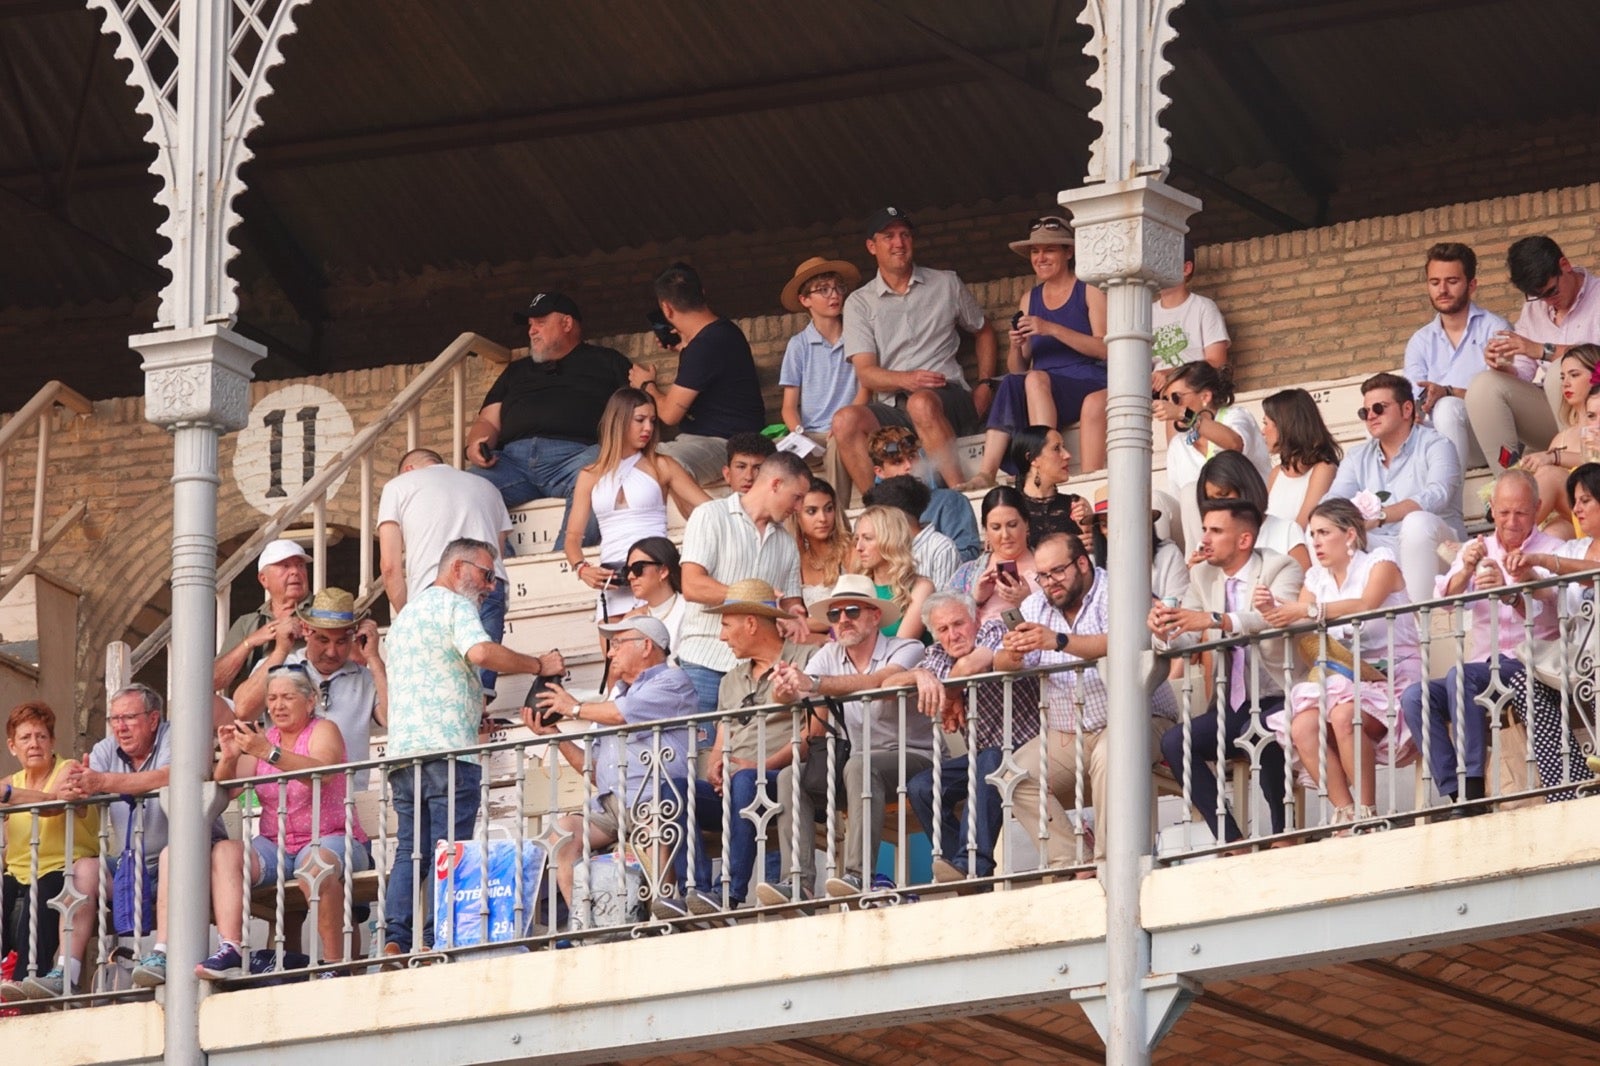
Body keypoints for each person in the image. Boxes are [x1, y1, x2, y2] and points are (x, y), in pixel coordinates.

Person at [381, 538, 562, 957]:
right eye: (486, 575)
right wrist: (538, 665)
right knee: (450, 847)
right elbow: (481, 651)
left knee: (412, 850)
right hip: (448, 753)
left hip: (406, 753)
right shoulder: (455, 606)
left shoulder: (407, 615)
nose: (490, 586)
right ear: (458, 568)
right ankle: (435, 938)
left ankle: (395, 939)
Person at [998, 534, 1178, 869]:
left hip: (1140, 718)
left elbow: (1128, 639)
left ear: (1082, 563)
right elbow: (1000, 665)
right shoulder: (1035, 605)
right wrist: (1013, 654)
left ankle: (1113, 865)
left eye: (1057, 572)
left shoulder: (1119, 590)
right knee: (1013, 775)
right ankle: (1073, 861)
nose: (1049, 582)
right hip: (1071, 733)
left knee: (1113, 754)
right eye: (1042, 575)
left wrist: (1059, 641)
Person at [193, 665, 371, 978]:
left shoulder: (323, 730)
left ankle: (334, 966)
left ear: (310, 700)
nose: (278, 705)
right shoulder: (266, 738)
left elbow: (323, 771)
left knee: (315, 865)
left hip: (331, 837)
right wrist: (231, 757)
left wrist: (269, 752)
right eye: (272, 698)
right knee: (224, 852)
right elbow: (226, 791)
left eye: (287, 697)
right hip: (275, 846)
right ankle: (231, 948)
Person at [760, 576, 930, 902]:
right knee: (788, 777)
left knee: (859, 766)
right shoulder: (828, 654)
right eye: (835, 615)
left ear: (875, 616)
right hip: (855, 763)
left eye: (852, 611)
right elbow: (801, 693)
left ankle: (858, 875)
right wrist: (783, 688)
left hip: (914, 757)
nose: (842, 621)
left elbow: (878, 681)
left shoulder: (908, 647)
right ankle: (798, 884)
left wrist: (811, 683)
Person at [1400, 470, 1560, 810]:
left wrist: (1512, 593)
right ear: (1491, 509)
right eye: (1503, 512)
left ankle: (1471, 782)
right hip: (1480, 671)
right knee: (1416, 696)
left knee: (1462, 676)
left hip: (1529, 665)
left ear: (1538, 508)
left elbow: (1552, 610)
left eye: (1521, 512)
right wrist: (1464, 572)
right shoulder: (1479, 547)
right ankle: (1457, 792)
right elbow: (1443, 601)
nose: (1512, 521)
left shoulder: (1551, 549)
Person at [1151, 499, 1302, 843]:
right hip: (1231, 705)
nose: (1204, 539)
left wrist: (1218, 620)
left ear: (1244, 540)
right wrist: (1162, 632)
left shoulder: (1281, 568)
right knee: (1175, 742)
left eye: (1215, 531)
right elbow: (1184, 633)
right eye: (1204, 529)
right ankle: (1230, 840)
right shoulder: (1202, 575)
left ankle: (1284, 834)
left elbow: (1274, 619)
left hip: (1280, 694)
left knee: (1263, 728)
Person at [1261, 499, 1419, 825]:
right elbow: (1298, 626)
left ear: (1349, 535)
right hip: (1342, 677)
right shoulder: (1316, 579)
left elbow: (1365, 604)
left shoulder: (1380, 563)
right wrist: (1271, 610)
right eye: (1312, 534)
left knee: (1344, 713)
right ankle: (1345, 813)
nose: (1315, 542)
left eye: (1323, 532)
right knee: (1302, 725)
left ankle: (1367, 812)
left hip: (1392, 676)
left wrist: (1306, 610)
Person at [528, 616, 694, 915]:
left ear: (646, 646)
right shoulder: (617, 695)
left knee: (656, 825)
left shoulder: (672, 681)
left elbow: (622, 716)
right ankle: (586, 921)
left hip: (657, 798)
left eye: (617, 644)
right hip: (613, 806)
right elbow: (590, 767)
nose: (610, 653)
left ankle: (665, 914)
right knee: (563, 833)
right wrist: (553, 734)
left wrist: (573, 708)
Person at [671, 580, 815, 915]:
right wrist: (716, 765)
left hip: (785, 782)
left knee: (748, 781)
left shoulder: (808, 659)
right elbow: (723, 736)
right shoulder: (730, 680)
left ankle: (729, 893)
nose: (721, 636)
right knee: (673, 792)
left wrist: (761, 768)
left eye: (725, 625)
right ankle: (697, 891)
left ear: (751, 623)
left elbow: (813, 734)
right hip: (736, 788)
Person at [833, 207, 998, 496]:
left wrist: (985, 384)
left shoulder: (946, 283)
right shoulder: (859, 302)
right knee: (844, 420)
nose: (899, 243)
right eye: (889, 236)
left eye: (905, 235)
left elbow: (983, 330)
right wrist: (907, 380)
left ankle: (960, 494)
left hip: (947, 398)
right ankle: (879, 504)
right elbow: (866, 373)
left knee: (921, 402)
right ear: (872, 246)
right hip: (895, 407)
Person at [76, 685, 228, 991]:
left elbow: (174, 774)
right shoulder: (106, 749)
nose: (120, 726)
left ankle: (161, 954)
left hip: (195, 856)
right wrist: (74, 786)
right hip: (133, 863)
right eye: (114, 718)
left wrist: (103, 781)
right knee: (84, 869)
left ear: (154, 718)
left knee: (173, 854)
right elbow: (84, 790)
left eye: (129, 717)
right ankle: (66, 970)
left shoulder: (177, 737)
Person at [465, 292, 632, 542]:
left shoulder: (607, 361)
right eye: (530, 325)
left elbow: (635, 410)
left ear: (566, 323)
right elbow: (488, 421)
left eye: (540, 323)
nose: (532, 331)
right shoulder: (516, 370)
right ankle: (501, 569)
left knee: (606, 474)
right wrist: (476, 445)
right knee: (465, 489)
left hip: (577, 458)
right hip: (512, 463)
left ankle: (565, 563)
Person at [898, 592, 1040, 881]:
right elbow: (887, 681)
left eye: (958, 623)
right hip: (987, 761)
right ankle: (961, 870)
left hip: (1031, 749)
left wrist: (950, 694)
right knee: (922, 787)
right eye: (943, 629)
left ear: (974, 620)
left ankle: (974, 864)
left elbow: (973, 665)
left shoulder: (993, 630)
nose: (953, 634)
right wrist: (918, 677)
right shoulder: (937, 655)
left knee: (988, 758)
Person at [966, 216, 1108, 487]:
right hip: (1041, 390)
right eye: (1035, 251)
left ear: (1069, 252)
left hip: (1087, 381)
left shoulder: (1088, 289)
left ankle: (1047, 461)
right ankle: (986, 473)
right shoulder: (1029, 298)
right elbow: (1018, 368)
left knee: (1035, 378)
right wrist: (1017, 345)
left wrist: (1051, 328)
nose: (1040, 257)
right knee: (1012, 382)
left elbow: (1103, 349)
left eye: (1049, 250)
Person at [675, 450, 812, 716]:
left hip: (758, 669)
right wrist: (756, 599)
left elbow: (791, 602)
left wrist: (793, 615)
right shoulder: (710, 515)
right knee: (704, 755)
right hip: (704, 659)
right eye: (796, 497)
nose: (797, 508)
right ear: (775, 484)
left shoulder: (786, 541)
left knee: (751, 752)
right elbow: (692, 586)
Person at [563, 388, 710, 620]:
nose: (648, 428)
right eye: (640, 420)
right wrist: (582, 568)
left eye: (652, 421)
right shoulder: (590, 474)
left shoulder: (662, 465)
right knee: (615, 655)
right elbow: (572, 537)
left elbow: (709, 509)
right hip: (613, 578)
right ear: (619, 421)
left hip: (655, 575)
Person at [378, 447, 513, 693]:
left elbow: (389, 567)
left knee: (441, 690)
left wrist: (409, 616)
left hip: (436, 588)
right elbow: (497, 552)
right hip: (488, 582)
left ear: (408, 470)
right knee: (480, 691)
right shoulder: (487, 487)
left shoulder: (398, 485)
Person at [1502, 462, 1600, 801]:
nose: (1576, 509)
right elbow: (1549, 592)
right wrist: (1523, 575)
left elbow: (1593, 573)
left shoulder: (1565, 558)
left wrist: (1546, 561)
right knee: (1524, 682)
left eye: (1586, 500)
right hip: (1577, 658)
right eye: (1574, 500)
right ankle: (1570, 784)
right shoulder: (1573, 548)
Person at [1323, 372, 1465, 604]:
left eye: (1379, 408)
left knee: (1416, 523)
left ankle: (1424, 619)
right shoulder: (1357, 456)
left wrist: (1380, 516)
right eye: (1365, 412)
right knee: (1322, 530)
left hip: (1440, 548)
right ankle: (1339, 625)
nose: (1370, 416)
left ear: (1407, 409)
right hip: (1383, 546)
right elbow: (1332, 502)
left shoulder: (1437, 444)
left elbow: (1438, 495)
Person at [231, 587, 386, 789]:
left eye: (341, 641)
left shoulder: (364, 677)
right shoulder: (280, 666)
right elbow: (243, 710)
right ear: (306, 630)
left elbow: (391, 719)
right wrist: (280, 650)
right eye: (323, 640)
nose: (332, 652)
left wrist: (373, 657)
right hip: (286, 797)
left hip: (349, 800)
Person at [1467, 235, 1600, 464]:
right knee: (1484, 385)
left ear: (1564, 265)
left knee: (1561, 371)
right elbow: (1523, 372)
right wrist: (1502, 366)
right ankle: (1510, 485)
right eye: (1537, 296)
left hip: (1594, 422)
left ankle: (1581, 473)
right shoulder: (1533, 310)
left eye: (1551, 291)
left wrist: (1543, 350)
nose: (1547, 301)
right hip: (1553, 416)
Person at [0, 702, 99, 1000]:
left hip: (63, 867)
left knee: (43, 893)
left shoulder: (68, 768)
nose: (34, 744)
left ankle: (25, 981)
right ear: (12, 746)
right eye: (26, 738)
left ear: (52, 741)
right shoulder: (11, 782)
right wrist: (14, 793)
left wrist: (10, 796)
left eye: (42, 737)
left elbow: (53, 805)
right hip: (18, 872)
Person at [635, 262, 766, 484]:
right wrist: (684, 349)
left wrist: (646, 385)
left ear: (666, 309)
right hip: (710, 440)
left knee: (666, 465)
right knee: (629, 460)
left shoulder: (704, 347)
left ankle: (707, 516)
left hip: (724, 443)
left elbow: (668, 415)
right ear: (702, 293)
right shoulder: (724, 331)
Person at [1403, 242, 1515, 470]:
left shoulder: (1496, 328)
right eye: (1435, 282)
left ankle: (1450, 505)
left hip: (1484, 440)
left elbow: (1503, 397)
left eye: (1452, 281)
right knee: (1380, 421)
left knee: (1447, 408)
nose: (1442, 290)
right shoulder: (1420, 340)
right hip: (1433, 442)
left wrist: (1448, 392)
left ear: (1472, 285)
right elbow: (1414, 397)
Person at [1156, 362, 1270, 549]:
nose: (1171, 407)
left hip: (1247, 517)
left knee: (1193, 490)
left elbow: (1235, 444)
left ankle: (1203, 566)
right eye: (1167, 399)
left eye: (1176, 398)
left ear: (1205, 397)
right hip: (1200, 530)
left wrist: (1184, 414)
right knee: (1156, 500)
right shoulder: (1178, 444)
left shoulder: (1235, 416)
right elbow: (1181, 502)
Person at [779, 255, 864, 495]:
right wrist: (799, 433)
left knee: (839, 441)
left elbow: (867, 386)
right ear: (805, 299)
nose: (834, 295)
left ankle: (836, 514)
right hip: (812, 433)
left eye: (838, 288)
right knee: (770, 456)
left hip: (850, 427)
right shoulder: (799, 345)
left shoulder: (858, 334)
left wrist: (845, 422)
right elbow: (788, 406)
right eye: (823, 290)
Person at [1516, 347, 1600, 537]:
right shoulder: (1561, 438)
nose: (1566, 384)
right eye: (1563, 377)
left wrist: (1555, 457)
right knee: (1553, 533)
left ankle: (1499, 543)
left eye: (1574, 375)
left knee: (1551, 475)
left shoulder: (1596, 429)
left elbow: (1593, 462)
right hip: (1575, 513)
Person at [865, 426, 981, 559]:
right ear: (879, 472)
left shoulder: (949, 502)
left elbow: (966, 556)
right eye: (897, 462)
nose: (908, 465)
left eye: (912, 457)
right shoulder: (874, 514)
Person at [212, 538, 310, 691]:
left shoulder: (323, 611)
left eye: (300, 566)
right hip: (259, 707)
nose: (295, 572)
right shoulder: (248, 622)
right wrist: (249, 642)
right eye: (285, 566)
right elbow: (213, 682)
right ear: (264, 580)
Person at [1197, 450, 1311, 571]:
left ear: (1246, 488)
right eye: (1212, 500)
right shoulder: (1207, 542)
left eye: (1224, 495)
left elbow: (1304, 584)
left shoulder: (1286, 532)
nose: (1219, 505)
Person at [947, 486, 1039, 626]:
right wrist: (976, 600)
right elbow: (946, 624)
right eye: (996, 528)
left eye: (1012, 525)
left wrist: (1028, 602)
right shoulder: (968, 573)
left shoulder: (1050, 566)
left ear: (1026, 524)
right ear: (986, 531)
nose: (1005, 535)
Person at [1151, 237, 1231, 386]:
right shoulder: (1146, 314)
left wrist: (1171, 373)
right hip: (1153, 394)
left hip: (1193, 390)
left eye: (1163, 262)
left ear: (1186, 268)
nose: (1156, 269)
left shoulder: (1204, 307)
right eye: (1154, 263)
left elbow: (1217, 363)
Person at [850, 505, 934, 643]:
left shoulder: (921, 587)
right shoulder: (857, 587)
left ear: (891, 541)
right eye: (857, 539)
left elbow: (900, 647)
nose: (859, 547)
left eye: (868, 538)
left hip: (904, 663)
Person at [1261, 388, 1341, 532]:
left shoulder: (1323, 469)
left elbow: (1301, 528)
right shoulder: (1276, 473)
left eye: (1266, 423)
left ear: (1285, 425)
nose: (1263, 431)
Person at [863, 475, 962, 589]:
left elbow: (942, 602)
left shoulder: (941, 548)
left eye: (879, 518)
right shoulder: (881, 548)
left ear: (897, 516)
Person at [1008, 426, 1086, 547]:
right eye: (1056, 448)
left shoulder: (1076, 505)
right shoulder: (1009, 508)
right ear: (1033, 459)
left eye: (1063, 447)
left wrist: (1093, 536)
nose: (1067, 455)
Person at [618, 537, 689, 656]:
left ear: (663, 571)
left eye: (637, 568)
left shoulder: (689, 608)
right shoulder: (631, 619)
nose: (630, 576)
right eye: (627, 570)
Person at [795, 478, 853, 610]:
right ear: (797, 516)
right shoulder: (796, 560)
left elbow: (851, 610)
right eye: (811, 511)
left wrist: (799, 626)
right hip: (809, 631)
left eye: (828, 509)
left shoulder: (849, 551)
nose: (822, 518)